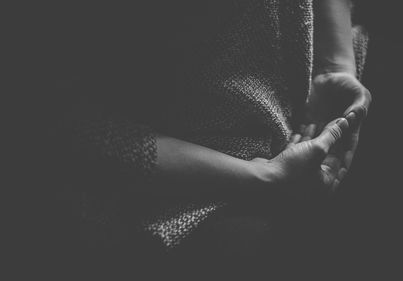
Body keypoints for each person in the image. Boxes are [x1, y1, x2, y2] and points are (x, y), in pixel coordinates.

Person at [63, 0, 371, 278]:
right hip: (186, 179)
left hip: (321, 76)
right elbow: (62, 127)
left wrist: (334, 63)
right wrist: (262, 176)